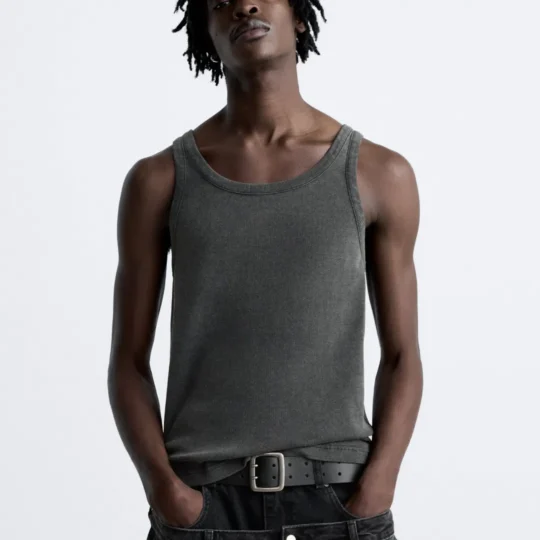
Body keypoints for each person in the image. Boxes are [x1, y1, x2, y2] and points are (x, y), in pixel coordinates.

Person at [107, 1, 422, 539]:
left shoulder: (378, 173)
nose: (244, 5)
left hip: (340, 504)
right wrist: (166, 491)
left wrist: (380, 483)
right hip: (204, 507)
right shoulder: (158, 181)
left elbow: (402, 355)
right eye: (220, 1)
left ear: (299, 14)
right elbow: (128, 362)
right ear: (206, 33)